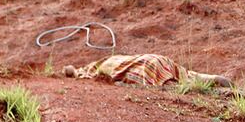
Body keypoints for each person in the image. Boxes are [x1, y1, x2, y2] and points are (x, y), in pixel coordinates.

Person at [65, 53, 231, 87]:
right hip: (158, 59)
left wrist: (72, 71)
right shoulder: (109, 61)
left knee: (158, 81)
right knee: (185, 74)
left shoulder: (99, 67)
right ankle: (213, 78)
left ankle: (213, 80)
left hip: (146, 64)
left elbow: (75, 71)